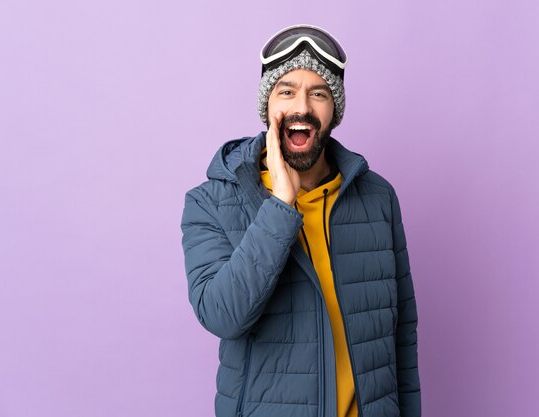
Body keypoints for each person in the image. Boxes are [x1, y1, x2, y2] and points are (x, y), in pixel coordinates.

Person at [180, 24, 421, 417]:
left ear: (334, 110)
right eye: (287, 90)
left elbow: (402, 334)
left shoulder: (377, 198)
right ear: (267, 105)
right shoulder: (210, 202)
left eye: (319, 93)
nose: (302, 107)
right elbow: (223, 315)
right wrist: (280, 203)